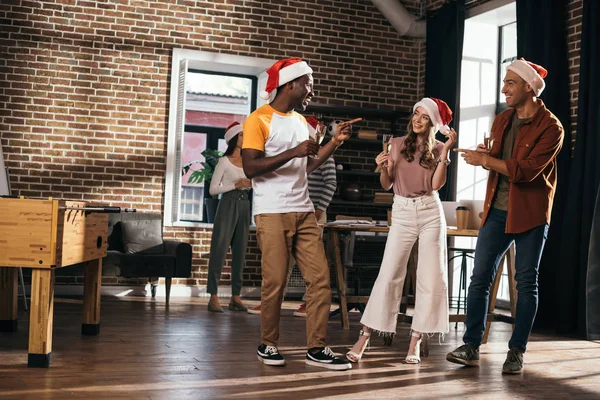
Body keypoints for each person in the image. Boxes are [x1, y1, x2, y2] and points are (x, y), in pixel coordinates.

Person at [447, 58, 564, 374]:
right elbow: (498, 160)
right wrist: (487, 155)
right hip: (496, 212)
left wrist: (486, 161)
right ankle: (471, 345)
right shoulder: (502, 120)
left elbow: (525, 172)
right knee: (479, 278)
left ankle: (516, 352)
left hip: (531, 214)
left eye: (510, 82)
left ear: (529, 87)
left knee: (526, 282)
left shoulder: (552, 127)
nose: (504, 89)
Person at [242, 57, 354, 370]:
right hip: (272, 212)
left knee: (320, 281)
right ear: (290, 84)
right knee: (275, 282)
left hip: (303, 211)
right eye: (307, 84)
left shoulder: (301, 122)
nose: (310, 90)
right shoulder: (258, 120)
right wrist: (293, 151)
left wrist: (333, 142)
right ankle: (268, 344)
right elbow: (251, 168)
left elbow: (307, 165)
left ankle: (316, 348)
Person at [346, 97, 456, 364]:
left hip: (430, 210)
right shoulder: (395, 144)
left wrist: (447, 153)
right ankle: (365, 335)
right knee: (389, 273)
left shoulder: (440, 147)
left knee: (431, 276)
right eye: (416, 114)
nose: (417, 120)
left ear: (432, 123)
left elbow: (436, 185)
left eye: (424, 117)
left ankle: (415, 340)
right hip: (403, 211)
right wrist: (386, 167)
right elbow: (386, 184)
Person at [246, 117, 337, 318]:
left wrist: (319, 210)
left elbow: (331, 183)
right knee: (282, 262)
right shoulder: (299, 153)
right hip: (293, 209)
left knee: (312, 265)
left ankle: (307, 303)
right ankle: (272, 302)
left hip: (314, 212)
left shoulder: (325, 156)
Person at [206, 122, 252, 313]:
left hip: (244, 204)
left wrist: (250, 184)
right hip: (227, 204)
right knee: (219, 248)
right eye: (241, 135)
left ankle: (236, 296)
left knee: (240, 251)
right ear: (234, 138)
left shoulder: (249, 161)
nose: (245, 138)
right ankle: (213, 296)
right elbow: (213, 190)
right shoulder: (223, 162)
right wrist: (235, 185)